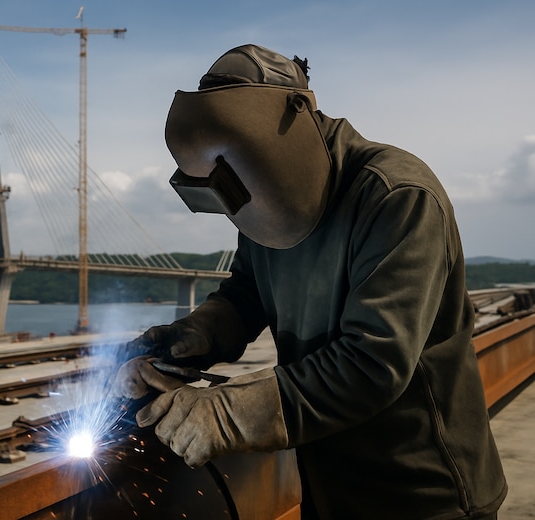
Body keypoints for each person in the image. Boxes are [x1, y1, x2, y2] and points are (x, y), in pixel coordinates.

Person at [114, 44, 507, 519]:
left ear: (296, 118)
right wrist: (184, 341)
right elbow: (245, 296)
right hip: (330, 485)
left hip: (424, 492)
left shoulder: (397, 197)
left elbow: (373, 361)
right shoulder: (269, 200)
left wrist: (227, 412)